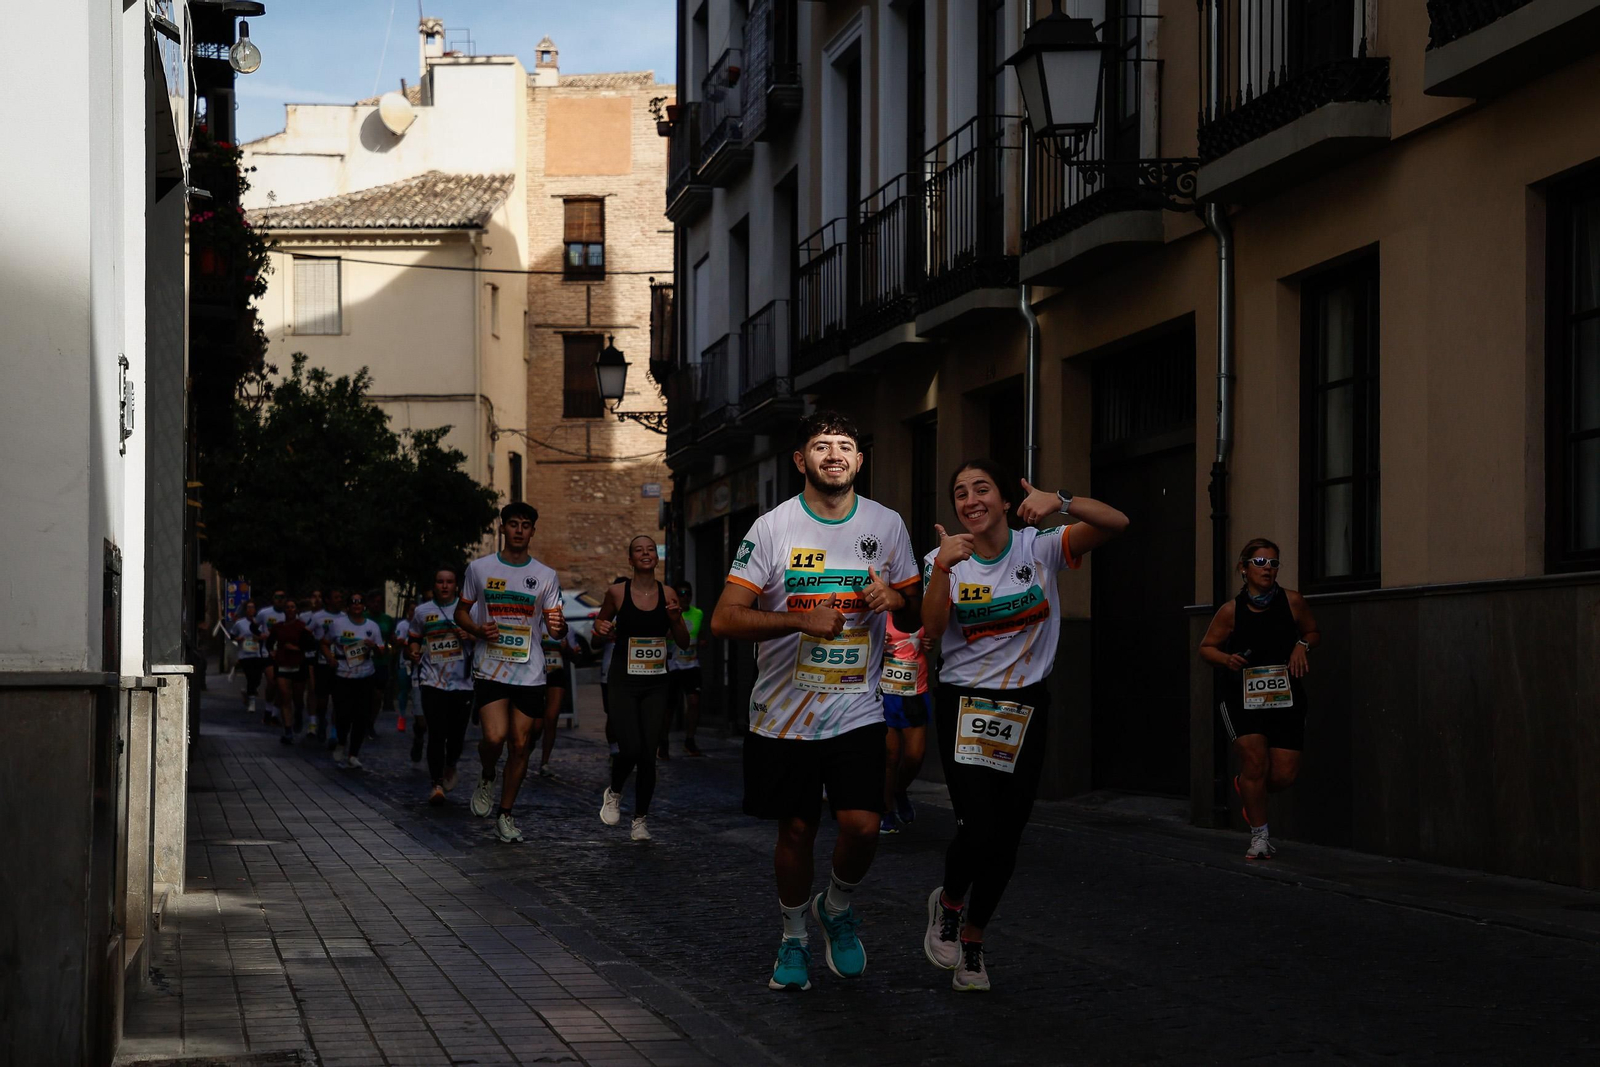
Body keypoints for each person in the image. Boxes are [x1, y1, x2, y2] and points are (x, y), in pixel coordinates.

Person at [711, 411, 922, 992]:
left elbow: (912, 599)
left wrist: (893, 597)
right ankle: (794, 936)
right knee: (797, 832)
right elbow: (726, 620)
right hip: (783, 714)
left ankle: (837, 904)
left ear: (860, 460)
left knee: (863, 826)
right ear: (801, 461)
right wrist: (797, 618)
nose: (835, 455)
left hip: (857, 706)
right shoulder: (773, 529)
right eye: (821, 446)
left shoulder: (887, 525)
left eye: (846, 446)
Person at [920, 462, 1127, 992]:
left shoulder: (1037, 548)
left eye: (982, 488)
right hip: (966, 703)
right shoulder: (943, 559)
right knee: (978, 825)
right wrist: (943, 569)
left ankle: (973, 940)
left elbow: (1115, 523)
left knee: (1008, 837)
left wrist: (1059, 499)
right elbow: (934, 629)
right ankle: (947, 901)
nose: (971, 499)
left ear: (1004, 501)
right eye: (960, 493)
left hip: (1027, 706)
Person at [1199, 538, 1321, 862]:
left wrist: (1301, 646)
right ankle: (1260, 837)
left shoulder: (1293, 602)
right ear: (1244, 569)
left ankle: (1245, 785)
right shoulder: (1231, 611)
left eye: (1274, 563)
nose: (1268, 569)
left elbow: (1312, 632)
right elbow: (1206, 648)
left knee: (1282, 775)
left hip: (1285, 695)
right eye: (1260, 562)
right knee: (1255, 761)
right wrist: (1226, 660)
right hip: (1242, 696)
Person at [455, 502, 566, 845]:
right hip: (490, 667)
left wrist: (557, 627)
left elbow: (557, 629)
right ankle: (487, 775)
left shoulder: (546, 576)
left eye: (526, 525)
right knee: (494, 738)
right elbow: (460, 613)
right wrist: (476, 630)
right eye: (513, 524)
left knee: (520, 745)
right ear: (502, 528)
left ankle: (505, 814)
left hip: (530, 671)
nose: (519, 530)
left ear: (533, 531)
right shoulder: (479, 569)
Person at [593, 536, 692, 842]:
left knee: (649, 754)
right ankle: (615, 791)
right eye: (639, 550)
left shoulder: (668, 593)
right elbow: (597, 637)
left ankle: (640, 820)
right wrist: (600, 629)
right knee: (631, 748)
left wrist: (675, 619)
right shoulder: (617, 593)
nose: (646, 553)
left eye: (650, 549)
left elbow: (684, 641)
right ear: (630, 559)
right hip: (622, 681)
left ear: (656, 558)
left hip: (656, 682)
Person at [406, 567, 475, 805]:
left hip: (463, 683)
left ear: (456, 585)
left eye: (449, 582)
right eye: (440, 582)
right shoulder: (423, 611)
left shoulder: (469, 610)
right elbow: (414, 637)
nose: (444, 586)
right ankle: (436, 784)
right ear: (434, 585)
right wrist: (414, 652)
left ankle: (451, 763)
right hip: (432, 680)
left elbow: (486, 638)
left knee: (456, 735)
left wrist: (471, 635)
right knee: (436, 733)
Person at [877, 616, 932, 835]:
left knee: (914, 756)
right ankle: (886, 809)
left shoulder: (920, 608)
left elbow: (934, 634)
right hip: (884, 691)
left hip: (914, 690)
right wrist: (874, 643)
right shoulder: (878, 610)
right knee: (890, 756)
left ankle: (899, 791)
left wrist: (930, 642)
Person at [320, 592, 386, 769]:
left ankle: (353, 754)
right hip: (343, 674)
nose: (357, 605)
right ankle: (341, 741)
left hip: (365, 674)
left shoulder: (372, 626)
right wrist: (330, 658)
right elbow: (324, 643)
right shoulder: (337, 624)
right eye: (353, 602)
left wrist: (374, 647)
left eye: (360, 602)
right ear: (348, 607)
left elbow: (382, 651)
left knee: (361, 716)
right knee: (343, 714)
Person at [666, 580, 708, 757]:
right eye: (681, 594)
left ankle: (690, 740)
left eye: (688, 594)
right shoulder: (668, 614)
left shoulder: (698, 613)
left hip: (691, 664)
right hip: (672, 665)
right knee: (669, 706)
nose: (685, 597)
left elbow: (702, 635)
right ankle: (663, 741)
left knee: (694, 702)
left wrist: (702, 642)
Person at [265, 600, 313, 744]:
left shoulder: (302, 627)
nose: (290, 610)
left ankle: (298, 713)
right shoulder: (277, 627)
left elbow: (310, 645)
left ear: (296, 610)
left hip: (298, 665)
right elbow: (269, 642)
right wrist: (272, 652)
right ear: (284, 610)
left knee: (297, 698)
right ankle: (288, 730)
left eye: (293, 607)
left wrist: (296, 648)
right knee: (285, 697)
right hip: (282, 665)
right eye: (287, 607)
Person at [536, 627, 581, 778]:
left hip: (556, 674)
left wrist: (566, 648)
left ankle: (545, 762)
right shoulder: (532, 621)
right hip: (534, 675)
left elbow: (576, 657)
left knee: (551, 718)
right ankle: (522, 753)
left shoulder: (566, 628)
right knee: (535, 725)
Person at [307, 589, 345, 742]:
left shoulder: (344, 617)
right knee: (322, 698)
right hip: (322, 662)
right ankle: (321, 720)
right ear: (327, 600)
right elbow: (306, 633)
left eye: (340, 597)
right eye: (336, 597)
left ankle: (335, 731)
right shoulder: (317, 617)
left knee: (338, 698)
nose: (339, 599)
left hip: (341, 663)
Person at [255, 589, 289, 724]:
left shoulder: (290, 614)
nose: (280, 600)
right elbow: (253, 626)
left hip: (284, 653)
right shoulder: (265, 613)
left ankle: (274, 714)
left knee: (283, 686)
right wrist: (260, 635)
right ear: (273, 599)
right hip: (267, 652)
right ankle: (268, 709)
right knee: (272, 681)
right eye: (277, 597)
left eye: (282, 597)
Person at [228, 599, 267, 712]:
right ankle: (252, 703)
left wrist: (261, 638)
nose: (251, 610)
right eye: (248, 608)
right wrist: (238, 639)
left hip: (259, 653)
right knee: (250, 677)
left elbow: (266, 635)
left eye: (253, 607)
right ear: (245, 610)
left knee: (258, 678)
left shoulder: (260, 623)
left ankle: (248, 692)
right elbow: (232, 635)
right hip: (245, 655)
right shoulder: (240, 623)